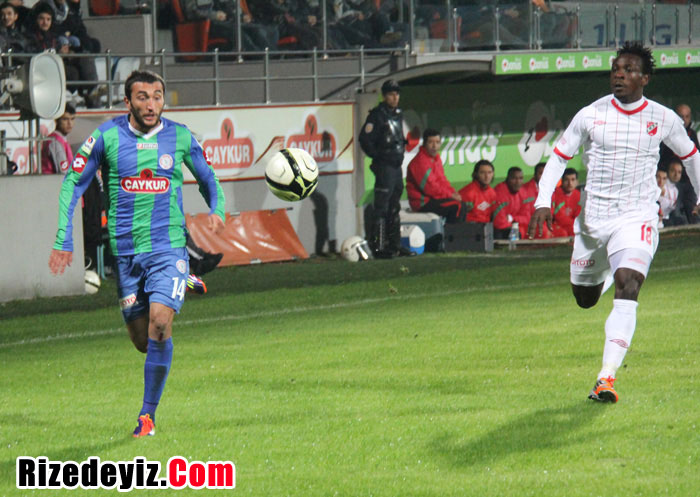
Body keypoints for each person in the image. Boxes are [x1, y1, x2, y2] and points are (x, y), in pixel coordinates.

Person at [48, 70, 226, 437]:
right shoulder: (107, 136)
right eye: (142, 97)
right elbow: (72, 183)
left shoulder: (179, 136)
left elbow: (208, 177)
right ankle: (183, 280)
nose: (151, 104)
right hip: (127, 254)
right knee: (144, 342)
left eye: (157, 96)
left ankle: (147, 417)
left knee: (160, 324)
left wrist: (217, 208)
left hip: (167, 247)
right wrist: (64, 238)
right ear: (127, 101)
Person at [528, 42, 700, 404]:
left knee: (629, 284)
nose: (619, 75)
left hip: (637, 216)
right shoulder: (591, 115)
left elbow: (690, 155)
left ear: (645, 78)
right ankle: (603, 273)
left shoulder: (662, 117)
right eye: (615, 69)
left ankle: (605, 378)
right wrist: (543, 200)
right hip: (594, 223)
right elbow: (558, 157)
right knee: (585, 298)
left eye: (628, 70)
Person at [359, 79, 412, 258]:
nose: (395, 97)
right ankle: (379, 247)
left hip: (396, 166)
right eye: (391, 94)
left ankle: (395, 245)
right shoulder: (377, 115)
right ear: (384, 96)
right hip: (385, 166)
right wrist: (378, 156)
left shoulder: (398, 113)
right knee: (381, 207)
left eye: (397, 94)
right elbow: (365, 139)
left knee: (394, 206)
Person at [405, 128, 467, 223]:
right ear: (424, 143)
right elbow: (430, 188)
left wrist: (453, 193)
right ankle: (451, 232)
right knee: (457, 206)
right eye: (431, 142)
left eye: (437, 142)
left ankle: (457, 232)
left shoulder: (436, 159)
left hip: (433, 199)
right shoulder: (420, 161)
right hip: (422, 203)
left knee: (462, 204)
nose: (434, 146)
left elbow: (442, 181)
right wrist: (450, 195)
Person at [659, 103, 698, 183]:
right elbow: (659, 155)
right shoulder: (666, 132)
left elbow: (696, 157)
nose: (684, 120)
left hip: (687, 178)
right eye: (681, 116)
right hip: (665, 177)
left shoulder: (692, 134)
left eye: (687, 116)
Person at [493, 166, 527, 239]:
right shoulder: (500, 192)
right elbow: (499, 223)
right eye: (514, 178)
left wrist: (512, 218)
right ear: (507, 179)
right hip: (498, 231)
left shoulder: (522, 192)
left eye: (520, 178)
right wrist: (515, 224)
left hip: (513, 227)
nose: (518, 182)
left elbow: (527, 218)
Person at [458, 159, 497, 224]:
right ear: (475, 174)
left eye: (489, 172)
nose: (487, 176)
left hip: (487, 227)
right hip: (471, 227)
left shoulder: (492, 193)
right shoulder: (468, 193)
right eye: (482, 173)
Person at [41, 103, 75, 175]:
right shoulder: (55, 141)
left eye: (72, 119)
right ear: (56, 121)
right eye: (65, 119)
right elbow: (63, 172)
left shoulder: (61, 139)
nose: (70, 123)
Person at [518, 162, 547, 238]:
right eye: (541, 173)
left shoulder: (552, 190)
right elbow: (524, 213)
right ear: (535, 175)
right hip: (528, 224)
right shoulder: (524, 189)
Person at [665, 158, 699, 225]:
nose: (676, 174)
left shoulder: (682, 189)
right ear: (668, 171)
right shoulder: (661, 185)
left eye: (679, 172)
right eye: (673, 171)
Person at [550, 167, 580, 237]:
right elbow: (559, 218)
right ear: (562, 181)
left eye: (573, 180)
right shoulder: (555, 194)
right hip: (556, 226)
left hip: (572, 226)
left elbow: (579, 216)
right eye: (567, 180)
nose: (570, 183)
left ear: (577, 182)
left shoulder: (578, 195)